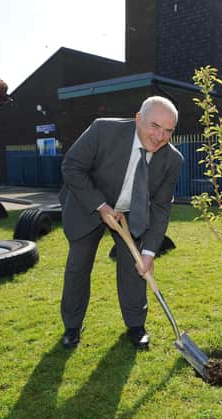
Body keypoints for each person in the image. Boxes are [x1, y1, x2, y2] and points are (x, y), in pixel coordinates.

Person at [58, 96, 184, 349]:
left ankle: (136, 326)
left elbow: (160, 208)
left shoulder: (173, 160)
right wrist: (101, 205)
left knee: (134, 268)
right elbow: (71, 166)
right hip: (89, 205)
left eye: (168, 130)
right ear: (139, 118)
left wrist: (149, 252)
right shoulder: (103, 130)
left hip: (131, 213)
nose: (160, 136)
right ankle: (72, 326)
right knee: (78, 267)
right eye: (155, 126)